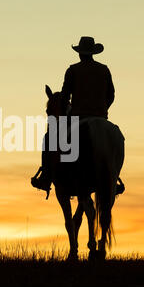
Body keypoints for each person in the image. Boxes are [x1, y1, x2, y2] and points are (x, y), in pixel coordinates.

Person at [31, 36, 124, 196]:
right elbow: (111, 95)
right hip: (101, 117)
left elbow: (65, 96)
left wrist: (71, 109)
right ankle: (114, 178)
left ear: (80, 53)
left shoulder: (73, 70)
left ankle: (45, 177)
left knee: (49, 138)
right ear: (93, 52)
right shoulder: (104, 69)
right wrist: (102, 110)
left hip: (78, 117)